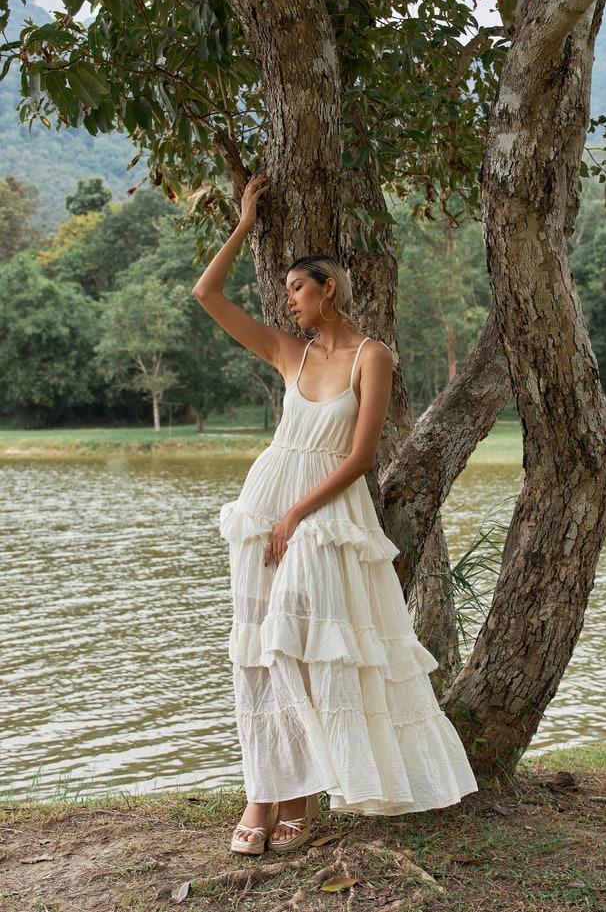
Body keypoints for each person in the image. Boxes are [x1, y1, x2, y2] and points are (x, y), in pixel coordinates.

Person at [193, 174, 477, 855]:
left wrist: (298, 513)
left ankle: (302, 793)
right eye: (286, 290)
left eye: (296, 288)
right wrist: (243, 222)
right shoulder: (288, 351)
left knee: (304, 643)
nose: (286, 300)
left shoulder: (370, 355)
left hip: (324, 509)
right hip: (265, 501)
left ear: (327, 288)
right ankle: (263, 791)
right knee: (258, 651)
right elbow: (206, 294)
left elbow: (360, 454)